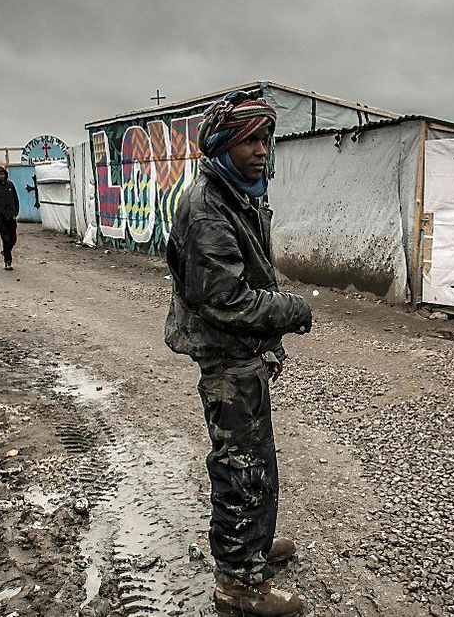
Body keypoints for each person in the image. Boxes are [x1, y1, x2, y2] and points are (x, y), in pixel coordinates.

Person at [165, 91, 312, 617]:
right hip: (226, 355)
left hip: (243, 353)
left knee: (258, 460)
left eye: (266, 139)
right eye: (249, 139)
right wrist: (288, 309)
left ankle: (252, 548)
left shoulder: (238, 193)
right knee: (241, 468)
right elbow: (225, 300)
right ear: (224, 143)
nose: (261, 150)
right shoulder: (208, 209)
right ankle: (238, 584)